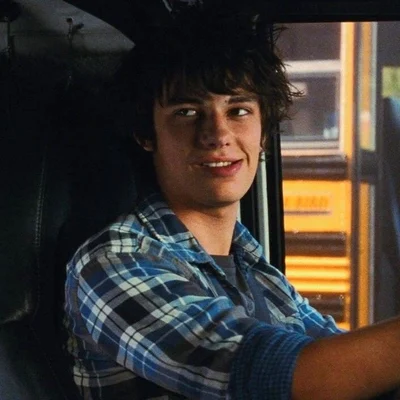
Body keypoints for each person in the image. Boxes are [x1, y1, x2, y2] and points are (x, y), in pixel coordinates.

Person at [63, 4, 400, 400]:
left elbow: (347, 366)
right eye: (188, 112)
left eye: (238, 110)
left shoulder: (255, 269)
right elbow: (281, 378)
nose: (218, 134)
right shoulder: (112, 263)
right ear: (147, 134)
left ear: (263, 133)